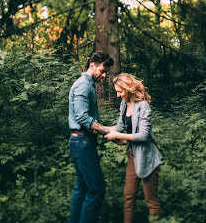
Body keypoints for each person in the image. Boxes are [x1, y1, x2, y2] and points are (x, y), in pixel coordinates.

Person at [105, 73, 162, 223]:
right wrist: (100, 128)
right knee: (128, 197)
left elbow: (143, 136)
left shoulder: (143, 106)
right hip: (132, 155)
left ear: (128, 88)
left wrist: (119, 135)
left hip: (147, 156)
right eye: (116, 91)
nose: (118, 95)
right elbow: (120, 126)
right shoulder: (124, 104)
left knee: (151, 200)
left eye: (120, 91)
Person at [68, 50, 114, 223]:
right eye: (102, 71)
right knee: (96, 190)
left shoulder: (87, 84)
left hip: (80, 140)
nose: (103, 75)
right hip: (82, 142)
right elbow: (81, 116)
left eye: (105, 73)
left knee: (82, 187)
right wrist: (106, 130)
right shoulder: (83, 84)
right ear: (92, 65)